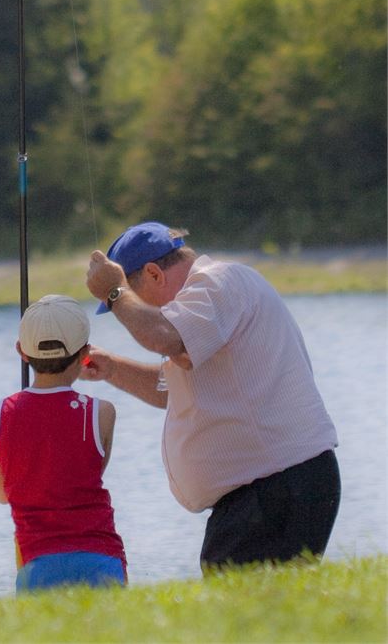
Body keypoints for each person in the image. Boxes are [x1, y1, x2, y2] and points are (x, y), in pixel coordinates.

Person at [84, 221, 340, 571]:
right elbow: (173, 388)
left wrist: (115, 293)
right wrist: (112, 367)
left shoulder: (217, 284)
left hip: (278, 486)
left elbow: (162, 336)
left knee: (241, 610)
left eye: (133, 297)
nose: (129, 315)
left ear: (154, 274)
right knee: (253, 610)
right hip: (271, 488)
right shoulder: (207, 303)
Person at [0, 294, 127, 593]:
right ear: (86, 353)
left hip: (37, 561)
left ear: (22, 352)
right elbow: (87, 474)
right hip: (101, 558)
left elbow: (1, 493)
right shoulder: (100, 412)